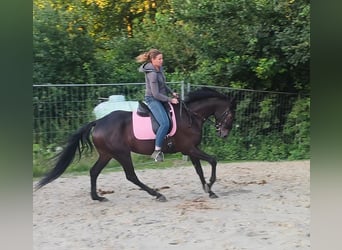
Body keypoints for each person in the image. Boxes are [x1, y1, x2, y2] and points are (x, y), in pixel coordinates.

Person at [136, 49, 179, 162]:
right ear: (152, 60)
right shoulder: (152, 74)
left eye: (162, 58)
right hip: (153, 99)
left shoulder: (159, 68)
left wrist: (172, 93)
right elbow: (155, 94)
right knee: (165, 123)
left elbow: (163, 84)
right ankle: (157, 151)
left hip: (161, 97)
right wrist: (170, 99)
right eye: (159, 59)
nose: (161, 61)